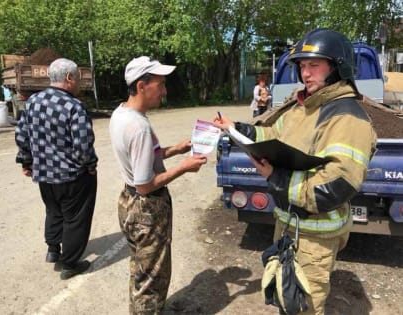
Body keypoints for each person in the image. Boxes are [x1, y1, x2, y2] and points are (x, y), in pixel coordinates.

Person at [214, 28, 377, 315]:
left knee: (303, 308)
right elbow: (272, 134)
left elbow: (334, 188)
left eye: (314, 65)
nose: (305, 73)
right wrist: (237, 129)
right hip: (289, 226)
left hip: (315, 237)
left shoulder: (347, 117)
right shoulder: (303, 107)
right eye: (302, 66)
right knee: (286, 300)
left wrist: (274, 177)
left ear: (338, 67)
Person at [109, 56, 207, 314]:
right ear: (141, 86)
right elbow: (145, 184)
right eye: (160, 85)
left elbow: (145, 156)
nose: (164, 91)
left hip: (128, 202)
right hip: (146, 208)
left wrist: (176, 148)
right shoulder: (138, 126)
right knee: (151, 280)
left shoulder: (121, 114)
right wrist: (184, 167)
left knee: (140, 270)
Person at [15, 58, 97, 280]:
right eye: (78, 79)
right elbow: (82, 146)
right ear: (69, 78)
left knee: (53, 210)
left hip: (43, 175)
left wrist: (26, 161)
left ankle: (53, 250)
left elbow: (22, 136)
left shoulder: (32, 102)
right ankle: (69, 263)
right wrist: (90, 165)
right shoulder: (74, 106)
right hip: (71, 176)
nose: (79, 84)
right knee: (75, 218)